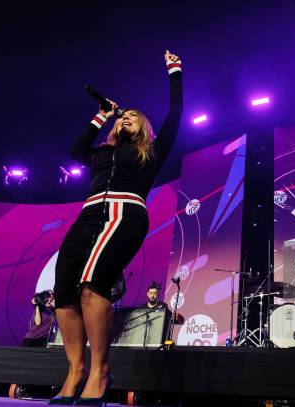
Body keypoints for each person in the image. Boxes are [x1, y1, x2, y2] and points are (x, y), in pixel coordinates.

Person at [51, 50, 183, 405]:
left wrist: (174, 73)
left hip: (124, 215)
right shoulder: (100, 154)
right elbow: (76, 148)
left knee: (93, 285)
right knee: (63, 290)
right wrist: (102, 115)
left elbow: (175, 116)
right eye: (122, 116)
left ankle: (99, 371)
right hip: (89, 215)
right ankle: (75, 370)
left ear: (143, 128)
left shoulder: (151, 152)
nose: (125, 118)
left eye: (132, 117)